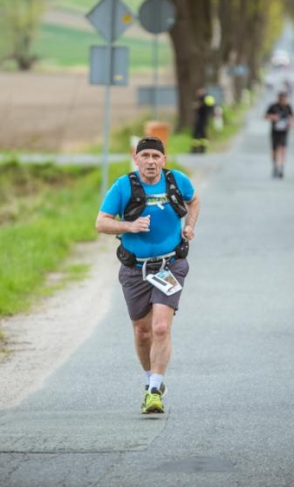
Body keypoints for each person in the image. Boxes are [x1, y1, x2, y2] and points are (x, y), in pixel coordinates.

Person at [95, 137, 201, 414]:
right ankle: (149, 378)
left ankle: (155, 388)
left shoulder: (177, 180)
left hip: (171, 265)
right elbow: (101, 223)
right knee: (142, 332)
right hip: (135, 269)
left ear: (164, 160)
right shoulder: (123, 186)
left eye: (156, 155)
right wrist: (130, 226)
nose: (151, 161)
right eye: (146, 156)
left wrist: (189, 226)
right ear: (136, 158)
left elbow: (194, 200)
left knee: (161, 327)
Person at [264, 91, 294, 178]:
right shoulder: (273, 106)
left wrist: (291, 123)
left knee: (283, 149)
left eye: (285, 98)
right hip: (275, 131)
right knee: (275, 150)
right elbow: (265, 116)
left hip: (284, 132)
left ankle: (281, 167)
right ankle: (275, 166)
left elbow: (292, 116)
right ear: (279, 98)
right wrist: (272, 117)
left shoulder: (288, 107)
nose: (283, 100)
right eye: (282, 98)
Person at [192, 88, 215, 153]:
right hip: (204, 119)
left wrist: (197, 106)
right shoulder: (207, 98)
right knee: (201, 134)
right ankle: (200, 149)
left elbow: (202, 107)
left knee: (199, 134)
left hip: (202, 119)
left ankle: (197, 149)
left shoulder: (204, 98)